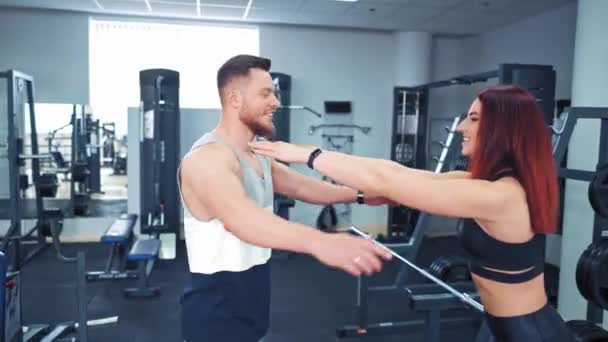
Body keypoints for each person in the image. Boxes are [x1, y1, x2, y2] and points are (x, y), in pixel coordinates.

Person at [251, 85, 578, 342]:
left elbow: (386, 179)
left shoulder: (501, 195)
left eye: (474, 119)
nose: (463, 125)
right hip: (502, 328)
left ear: (504, 130)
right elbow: (395, 174)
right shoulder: (482, 184)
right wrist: (362, 194)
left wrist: (306, 154)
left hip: (530, 334)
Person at [177, 54, 392, 342]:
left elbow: (303, 188)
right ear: (234, 98)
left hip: (252, 309)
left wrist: (362, 196)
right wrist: (320, 241)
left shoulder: (258, 152)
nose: (275, 102)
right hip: (213, 319)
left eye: (275, 93)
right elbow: (241, 219)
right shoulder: (207, 158)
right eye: (265, 93)